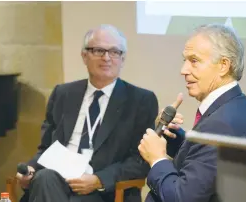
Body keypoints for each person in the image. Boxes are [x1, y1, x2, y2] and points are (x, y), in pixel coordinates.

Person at [16, 24, 158, 202]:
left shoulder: (140, 100)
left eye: (114, 52)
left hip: (102, 191)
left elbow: (140, 161)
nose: (106, 58)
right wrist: (31, 169)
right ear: (84, 56)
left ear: (123, 59)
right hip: (56, 180)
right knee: (44, 178)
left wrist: (98, 180)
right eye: (98, 50)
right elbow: (46, 149)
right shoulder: (63, 94)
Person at [138, 24, 246, 202]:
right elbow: (205, 162)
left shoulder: (221, 124)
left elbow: (182, 197)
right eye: (184, 60)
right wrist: (175, 138)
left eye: (194, 61)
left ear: (223, 66)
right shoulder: (232, 106)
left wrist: (157, 159)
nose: (183, 70)